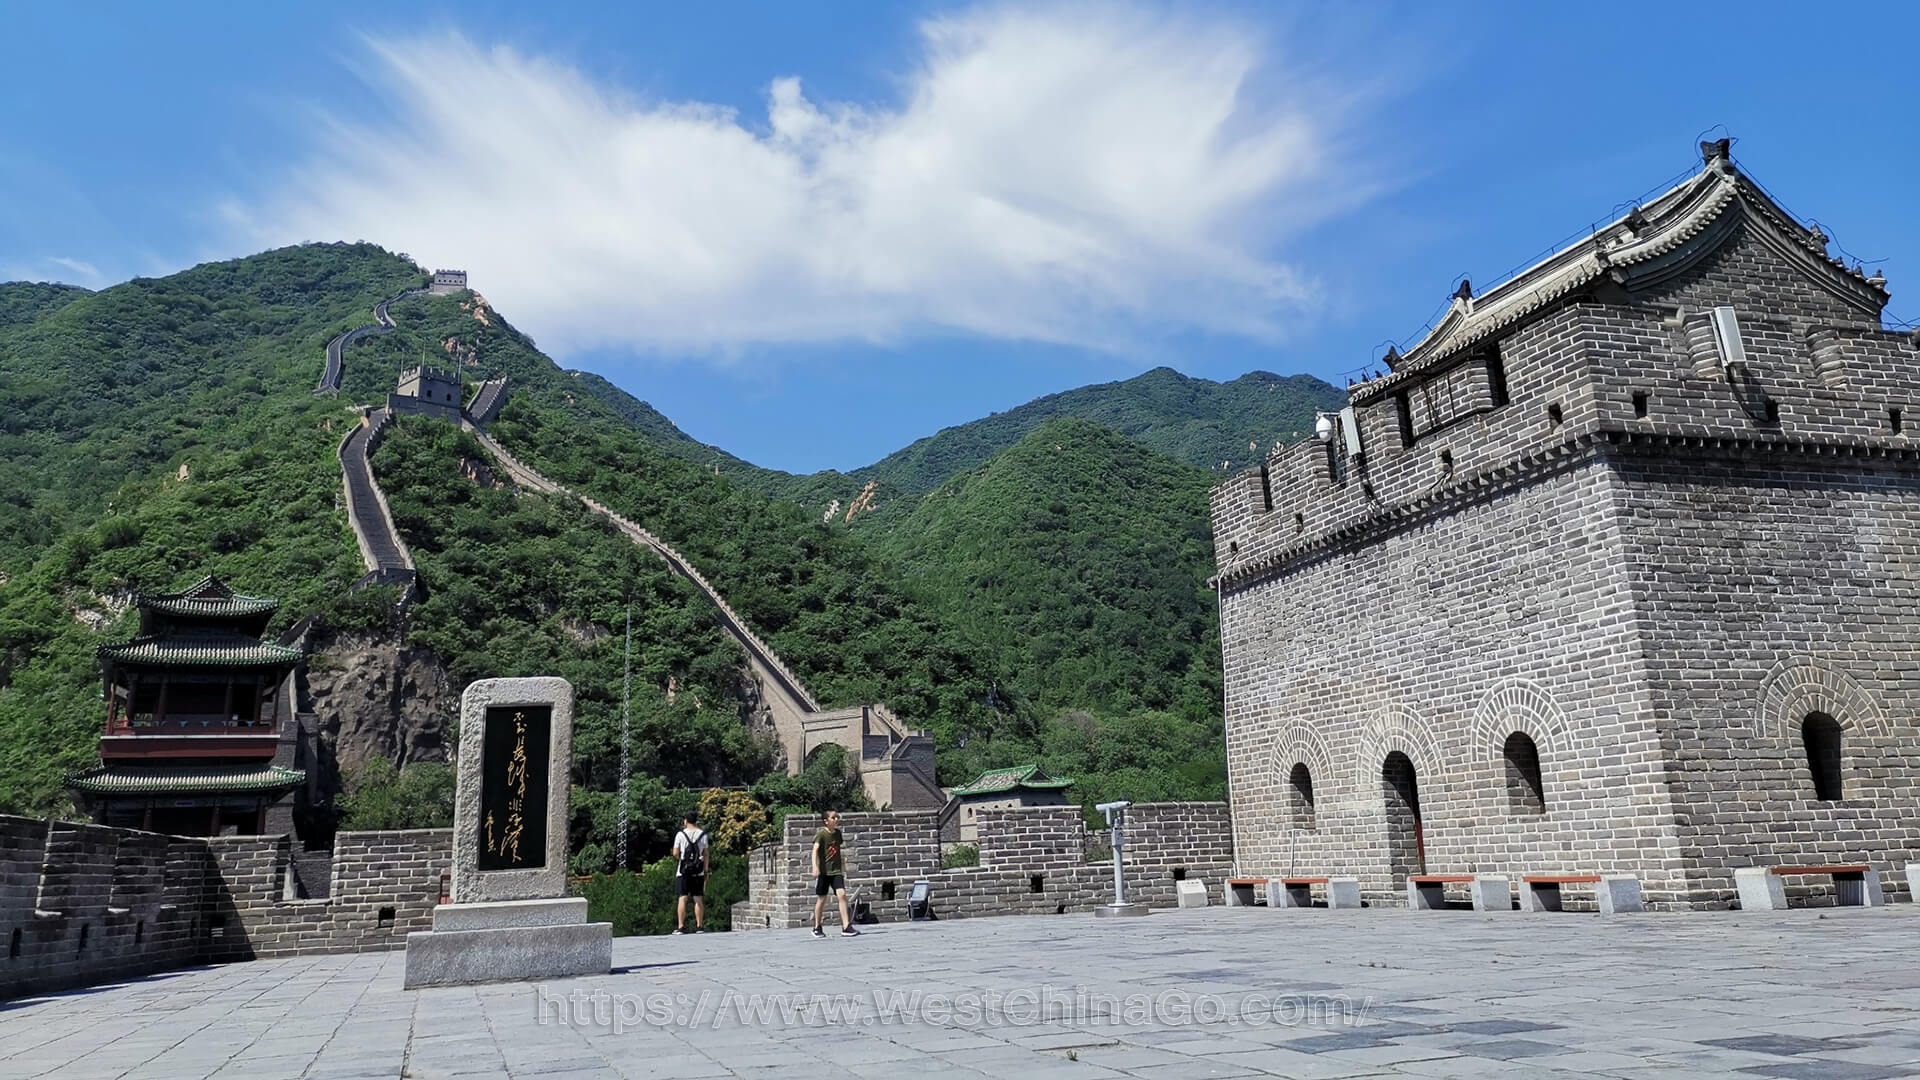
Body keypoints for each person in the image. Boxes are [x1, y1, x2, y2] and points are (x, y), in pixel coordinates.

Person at [811, 810, 859, 938]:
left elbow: (838, 850)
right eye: (833, 817)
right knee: (822, 899)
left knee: (842, 894)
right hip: (824, 872)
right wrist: (815, 867)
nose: (836, 819)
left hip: (836, 871)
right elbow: (815, 850)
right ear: (826, 821)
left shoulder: (838, 834)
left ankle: (846, 926)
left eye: (837, 817)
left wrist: (844, 863)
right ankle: (817, 926)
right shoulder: (821, 834)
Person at [672, 812, 710, 934]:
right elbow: (706, 853)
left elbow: (675, 853)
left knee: (683, 898)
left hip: (683, 871)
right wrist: (705, 870)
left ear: (685, 821)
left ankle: (681, 926)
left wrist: (682, 859)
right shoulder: (703, 835)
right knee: (698, 899)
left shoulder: (680, 834)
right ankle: (699, 926)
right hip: (698, 871)